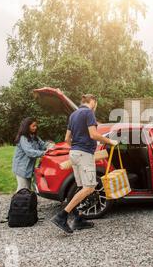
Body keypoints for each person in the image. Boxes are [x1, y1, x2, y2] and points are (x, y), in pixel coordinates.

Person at [50, 94, 118, 234]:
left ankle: (79, 219)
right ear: (92, 101)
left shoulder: (74, 115)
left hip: (74, 153)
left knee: (81, 187)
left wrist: (76, 146)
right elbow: (93, 134)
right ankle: (62, 216)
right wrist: (110, 142)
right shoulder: (89, 112)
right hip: (84, 154)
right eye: (96, 103)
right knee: (89, 187)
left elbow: (67, 138)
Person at [12, 117, 51, 192]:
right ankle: (17, 203)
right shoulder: (23, 138)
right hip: (21, 168)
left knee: (27, 190)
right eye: (33, 126)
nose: (35, 128)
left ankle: (25, 203)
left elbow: (43, 145)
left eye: (36, 126)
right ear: (27, 126)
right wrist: (44, 153)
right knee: (22, 190)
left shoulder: (35, 137)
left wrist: (51, 146)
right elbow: (29, 152)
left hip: (29, 168)